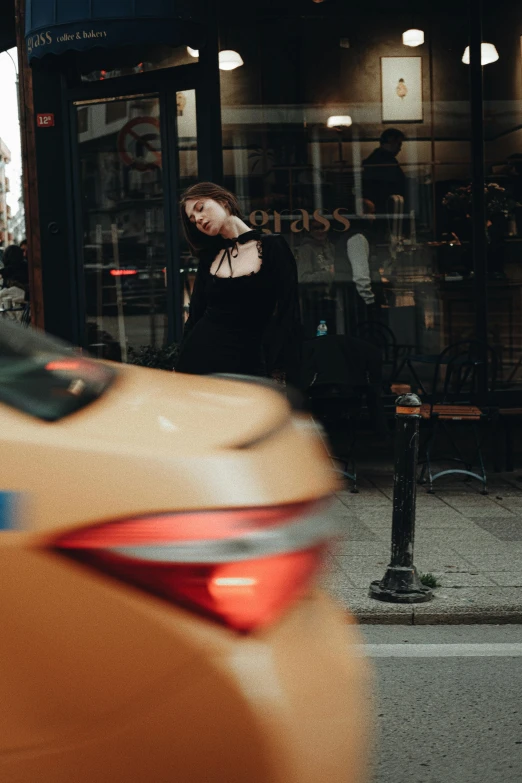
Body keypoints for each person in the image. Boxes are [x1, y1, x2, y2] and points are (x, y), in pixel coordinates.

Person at [175, 182, 301, 384]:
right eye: (193, 220)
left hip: (248, 363)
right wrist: (180, 364)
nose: (198, 219)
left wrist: (280, 366)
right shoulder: (210, 258)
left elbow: (289, 310)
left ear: (223, 202)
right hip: (198, 359)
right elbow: (195, 315)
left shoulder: (271, 246)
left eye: (200, 208)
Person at [362, 128, 406, 219]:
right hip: (384, 204)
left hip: (383, 201)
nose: (400, 148)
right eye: (399, 144)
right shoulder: (384, 159)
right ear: (391, 142)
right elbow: (395, 182)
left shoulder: (378, 156)